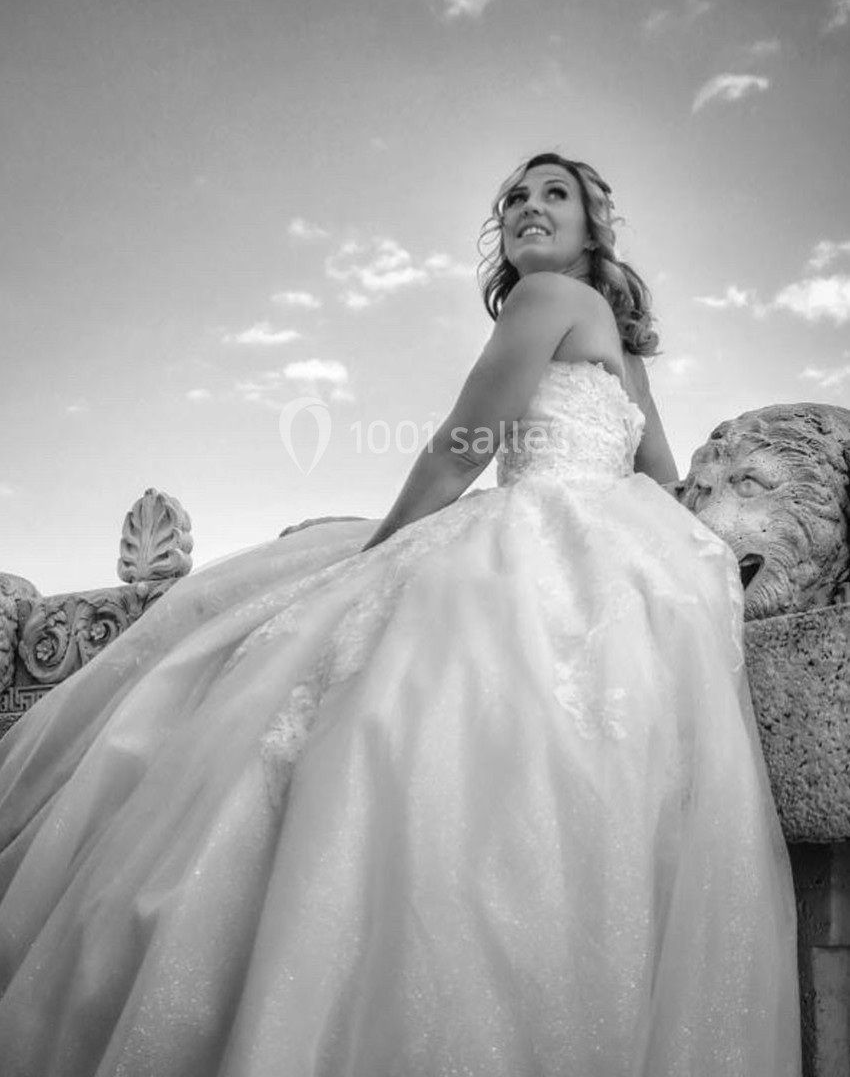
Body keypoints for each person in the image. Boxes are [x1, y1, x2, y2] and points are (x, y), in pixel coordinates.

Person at [0, 154, 801, 1076]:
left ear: (592, 228)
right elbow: (661, 479)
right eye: (515, 198)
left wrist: (379, 548)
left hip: (530, 527)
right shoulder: (620, 343)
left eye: (555, 196)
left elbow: (463, 446)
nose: (529, 209)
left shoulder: (543, 301)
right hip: (607, 555)